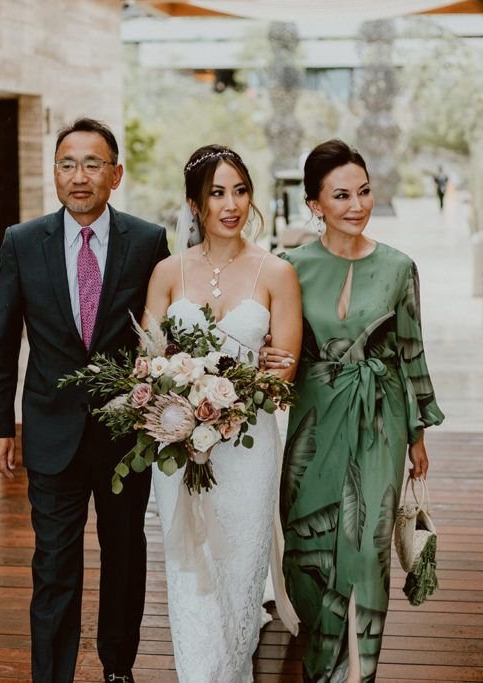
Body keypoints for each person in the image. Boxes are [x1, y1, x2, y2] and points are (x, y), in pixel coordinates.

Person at [0, 118, 170, 683]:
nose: (78, 176)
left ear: (116, 174)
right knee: (54, 564)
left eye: (92, 164)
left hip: (123, 432)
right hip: (49, 430)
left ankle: (117, 667)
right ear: (54, 172)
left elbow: (157, 337)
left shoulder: (147, 241)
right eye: (67, 164)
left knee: (124, 557)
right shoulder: (21, 241)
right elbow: (1, 336)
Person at [260, 139, 445, 682]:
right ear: (315, 204)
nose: (357, 204)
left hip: (380, 421)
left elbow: (411, 350)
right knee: (308, 550)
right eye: (341, 195)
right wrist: (268, 356)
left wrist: (417, 433)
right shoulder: (287, 267)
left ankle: (357, 675)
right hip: (313, 421)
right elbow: (276, 346)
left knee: (366, 553)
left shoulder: (398, 267)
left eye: (364, 191)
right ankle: (321, 668)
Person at [141, 145, 303, 682]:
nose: (230, 204)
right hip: (178, 444)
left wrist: (243, 391)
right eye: (216, 193)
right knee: (189, 565)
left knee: (238, 564)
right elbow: (148, 362)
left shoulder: (277, 272)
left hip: (248, 443)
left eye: (239, 190)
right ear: (194, 203)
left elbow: (284, 372)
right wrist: (181, 397)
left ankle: (232, 668)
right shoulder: (167, 272)